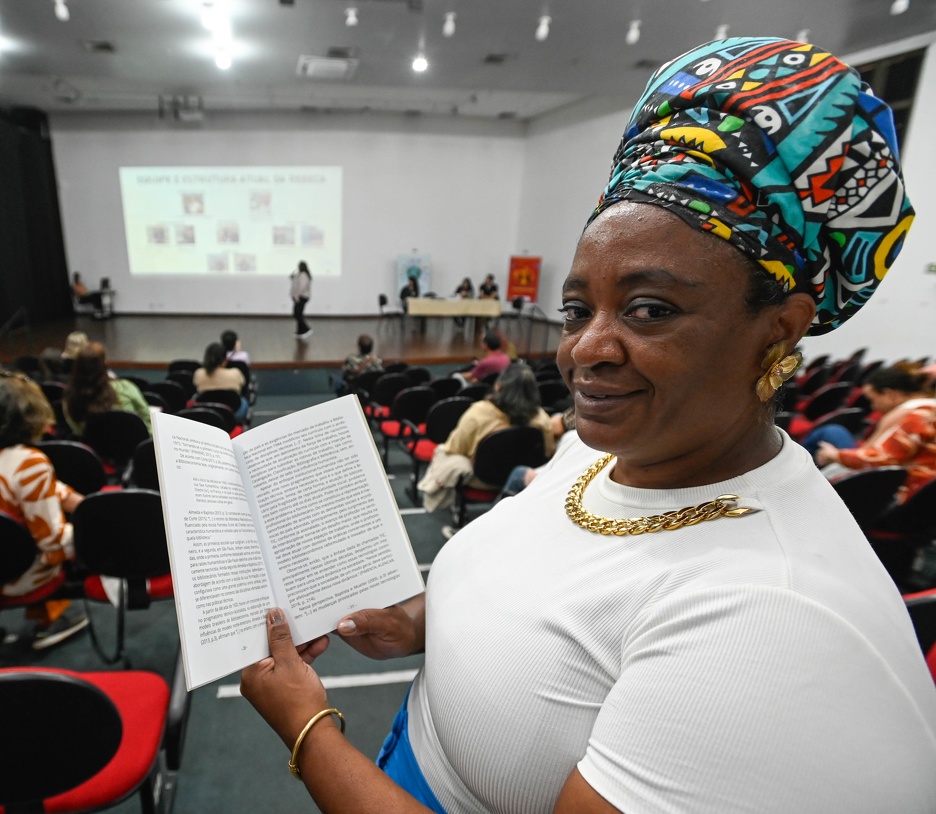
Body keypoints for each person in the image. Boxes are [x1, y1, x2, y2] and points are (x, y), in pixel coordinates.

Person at [239, 38, 936, 813]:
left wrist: (308, 730)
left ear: (778, 330)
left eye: (649, 309)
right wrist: (420, 623)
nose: (584, 350)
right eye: (578, 309)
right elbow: (544, 586)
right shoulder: (610, 448)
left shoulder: (771, 621)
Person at [0, 371, 89, 650]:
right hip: (17, 574)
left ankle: (47, 616)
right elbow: (52, 543)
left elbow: (27, 488)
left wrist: (79, 502)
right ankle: (50, 620)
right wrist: (93, 526)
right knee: (79, 535)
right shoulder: (31, 462)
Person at [417, 364, 555, 518]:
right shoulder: (542, 419)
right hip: (523, 482)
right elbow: (548, 452)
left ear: (498, 386)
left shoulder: (478, 413)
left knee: (443, 451)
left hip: (481, 480)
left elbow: (454, 448)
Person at [813, 366, 936, 502]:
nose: (873, 407)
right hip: (924, 492)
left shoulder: (919, 415)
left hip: (910, 494)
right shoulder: (928, 409)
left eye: (873, 400)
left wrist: (835, 455)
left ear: (890, 395)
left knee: (830, 432)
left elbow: (884, 459)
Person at [63, 341, 152, 435]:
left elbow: (78, 431)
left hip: (94, 444)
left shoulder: (69, 398)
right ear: (104, 364)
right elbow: (147, 417)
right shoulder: (125, 388)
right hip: (134, 442)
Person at [193, 341, 248, 420]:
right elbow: (243, 388)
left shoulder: (199, 373)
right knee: (244, 401)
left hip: (206, 414)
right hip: (233, 414)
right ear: (225, 359)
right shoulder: (235, 373)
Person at [291, 261, 312, 338]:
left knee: (297, 314)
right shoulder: (300, 274)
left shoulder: (303, 275)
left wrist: (297, 295)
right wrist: (293, 276)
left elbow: (302, 286)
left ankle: (306, 329)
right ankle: (300, 332)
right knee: (298, 314)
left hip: (302, 296)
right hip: (300, 296)